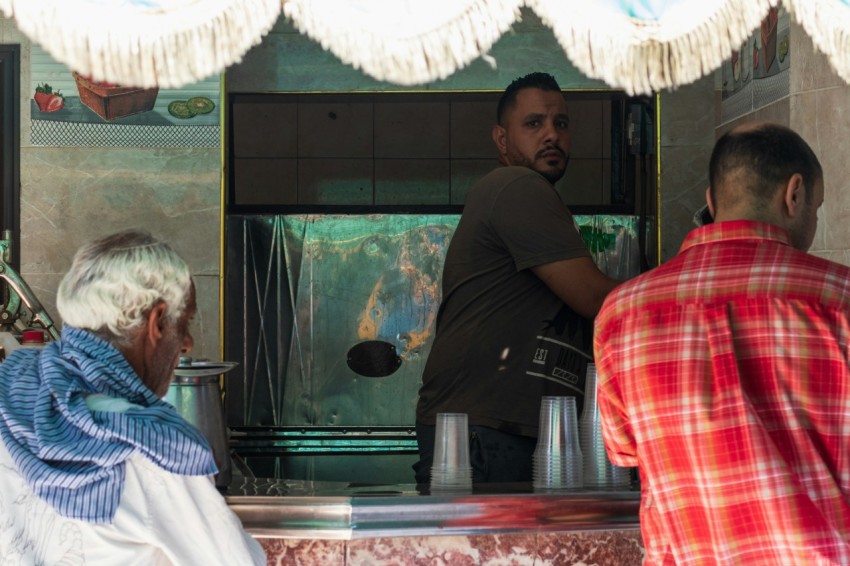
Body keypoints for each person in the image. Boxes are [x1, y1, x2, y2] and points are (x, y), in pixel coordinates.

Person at [594, 122, 850, 564]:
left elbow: (624, 451)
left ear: (712, 201)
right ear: (794, 194)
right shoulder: (838, 300)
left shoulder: (620, 315)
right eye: (817, 207)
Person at [0, 229, 266, 565]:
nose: (187, 344)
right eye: (184, 322)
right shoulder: (155, 447)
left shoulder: (9, 387)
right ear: (156, 322)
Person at [414, 72, 620, 484]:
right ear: (502, 139)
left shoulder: (531, 196)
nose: (551, 135)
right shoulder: (516, 185)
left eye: (561, 124)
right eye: (534, 124)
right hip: (488, 430)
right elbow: (597, 300)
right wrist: (678, 290)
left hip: (496, 427)